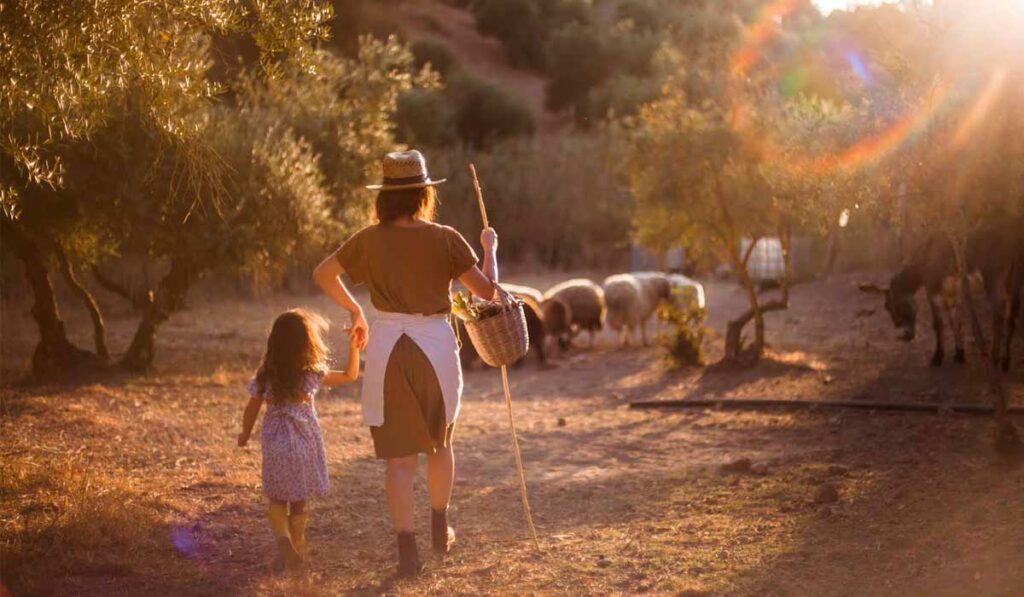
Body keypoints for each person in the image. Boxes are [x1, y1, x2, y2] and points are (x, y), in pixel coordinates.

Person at [313, 150, 498, 576]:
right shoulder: (447, 237)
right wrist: (490, 249)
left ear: (385, 197)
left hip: (388, 350)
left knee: (400, 460)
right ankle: (440, 524)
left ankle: (407, 553)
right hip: (434, 347)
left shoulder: (369, 239)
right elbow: (488, 292)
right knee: (441, 443)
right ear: (423, 193)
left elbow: (323, 273)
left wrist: (355, 312)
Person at [237, 308, 361, 572]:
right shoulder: (311, 374)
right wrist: (354, 347)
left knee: (277, 498)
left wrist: (245, 433)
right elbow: (351, 375)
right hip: (304, 445)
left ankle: (283, 539)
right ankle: (298, 542)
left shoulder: (265, 375)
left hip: (275, 445)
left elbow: (251, 409)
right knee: (300, 498)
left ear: (274, 343)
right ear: (307, 342)